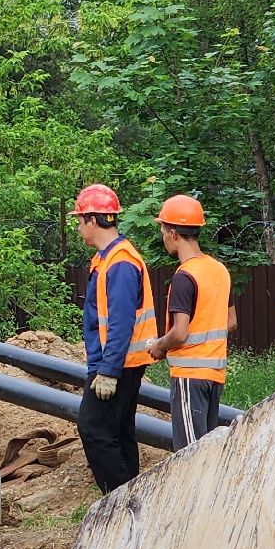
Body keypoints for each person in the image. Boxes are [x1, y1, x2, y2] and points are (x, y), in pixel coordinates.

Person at [73, 183, 157, 492]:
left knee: (93, 427)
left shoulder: (120, 261)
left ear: (93, 220)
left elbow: (121, 323)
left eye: (80, 221)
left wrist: (108, 371)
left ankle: (120, 500)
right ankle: (133, 498)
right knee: (119, 431)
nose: (80, 228)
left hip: (117, 363)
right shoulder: (109, 258)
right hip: (121, 361)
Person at [147, 194, 235, 447]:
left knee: (189, 454)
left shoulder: (185, 276)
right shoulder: (218, 269)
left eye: (163, 230)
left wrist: (160, 346)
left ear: (173, 233)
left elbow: (180, 333)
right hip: (214, 376)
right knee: (206, 450)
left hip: (189, 376)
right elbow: (231, 322)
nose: (163, 236)